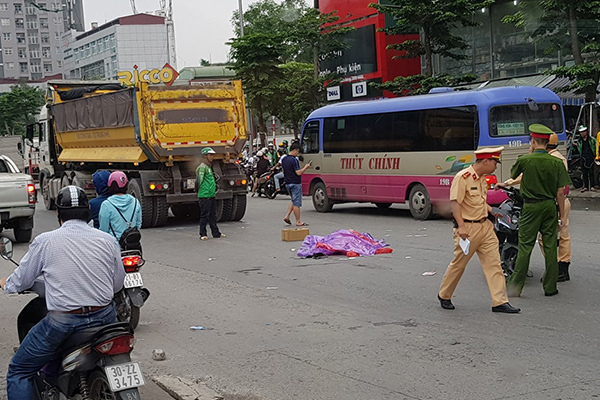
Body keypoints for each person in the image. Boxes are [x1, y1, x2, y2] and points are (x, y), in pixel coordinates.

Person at [0, 185, 125, 400]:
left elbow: (21, 280)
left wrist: (6, 283)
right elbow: (117, 284)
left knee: (19, 371)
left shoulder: (45, 241)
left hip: (64, 322)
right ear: (88, 211)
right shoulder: (107, 240)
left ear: (58, 213)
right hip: (106, 317)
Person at [437, 147, 520, 313]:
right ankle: (444, 294)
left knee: (494, 264)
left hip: (485, 227)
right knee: (459, 264)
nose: (496, 166)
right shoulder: (463, 177)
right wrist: (461, 226)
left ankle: (500, 301)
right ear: (485, 161)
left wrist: (492, 211)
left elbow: (479, 201)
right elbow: (456, 203)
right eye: (495, 162)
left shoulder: (482, 179)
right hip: (468, 228)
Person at [503, 124, 571, 297]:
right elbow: (561, 191)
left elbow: (514, 174)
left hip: (531, 207)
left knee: (525, 246)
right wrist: (562, 215)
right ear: (548, 142)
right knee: (550, 247)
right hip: (549, 206)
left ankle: (516, 287)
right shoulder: (557, 162)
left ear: (533, 141)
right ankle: (550, 287)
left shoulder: (525, 160)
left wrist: (530, 153)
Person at [99, 171, 142, 250]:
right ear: (126, 185)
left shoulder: (106, 204)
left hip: (114, 247)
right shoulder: (135, 202)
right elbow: (139, 224)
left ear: (110, 185)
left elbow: (103, 230)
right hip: (133, 246)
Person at [196, 147, 224, 240]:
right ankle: (203, 234)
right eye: (210, 155)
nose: (212, 157)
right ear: (205, 156)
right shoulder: (202, 167)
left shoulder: (208, 167)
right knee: (205, 216)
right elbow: (199, 181)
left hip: (211, 194)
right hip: (205, 195)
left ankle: (216, 233)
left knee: (213, 215)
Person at [282, 142, 311, 226]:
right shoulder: (294, 160)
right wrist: (306, 167)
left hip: (287, 183)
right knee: (297, 203)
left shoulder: (284, 159)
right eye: (298, 151)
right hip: (295, 183)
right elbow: (298, 173)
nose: (298, 153)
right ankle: (298, 221)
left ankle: (287, 216)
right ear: (295, 150)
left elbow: (284, 171)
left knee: (293, 200)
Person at [577, 125, 596, 192]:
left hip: (590, 157)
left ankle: (592, 186)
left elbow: (595, 147)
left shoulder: (592, 140)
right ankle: (585, 186)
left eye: (583, 132)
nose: (582, 133)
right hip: (583, 158)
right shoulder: (579, 141)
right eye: (581, 132)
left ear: (586, 132)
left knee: (591, 173)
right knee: (584, 173)